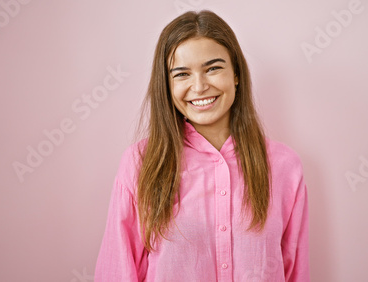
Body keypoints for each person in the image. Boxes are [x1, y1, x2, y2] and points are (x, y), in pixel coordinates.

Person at [94, 10, 309, 282]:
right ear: (167, 86)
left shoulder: (284, 166)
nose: (199, 86)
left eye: (213, 68)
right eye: (182, 74)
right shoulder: (141, 162)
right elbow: (118, 272)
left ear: (236, 74)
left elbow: (295, 270)